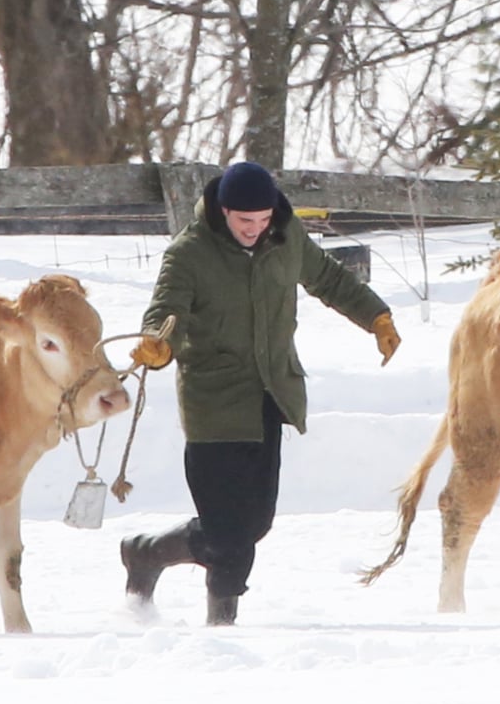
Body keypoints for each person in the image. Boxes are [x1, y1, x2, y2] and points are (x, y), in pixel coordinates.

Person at [121, 161, 401, 625]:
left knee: (252, 526)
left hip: (271, 396)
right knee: (231, 539)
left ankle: (147, 553)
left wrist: (376, 317)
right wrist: (159, 343)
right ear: (223, 211)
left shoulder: (286, 237)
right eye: (244, 221)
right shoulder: (189, 252)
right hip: (214, 403)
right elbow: (167, 309)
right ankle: (221, 631)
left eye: (263, 219)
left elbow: (328, 278)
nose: (254, 230)